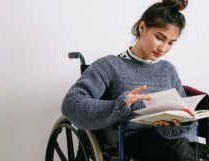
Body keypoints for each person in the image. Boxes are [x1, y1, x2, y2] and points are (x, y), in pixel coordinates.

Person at [62, 0, 198, 160]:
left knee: (184, 147)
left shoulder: (168, 70)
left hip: (166, 141)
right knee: (179, 150)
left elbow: (183, 114)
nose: (164, 48)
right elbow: (70, 103)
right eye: (160, 37)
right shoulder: (110, 65)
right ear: (142, 28)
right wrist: (119, 105)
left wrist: (179, 123)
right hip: (127, 141)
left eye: (171, 43)